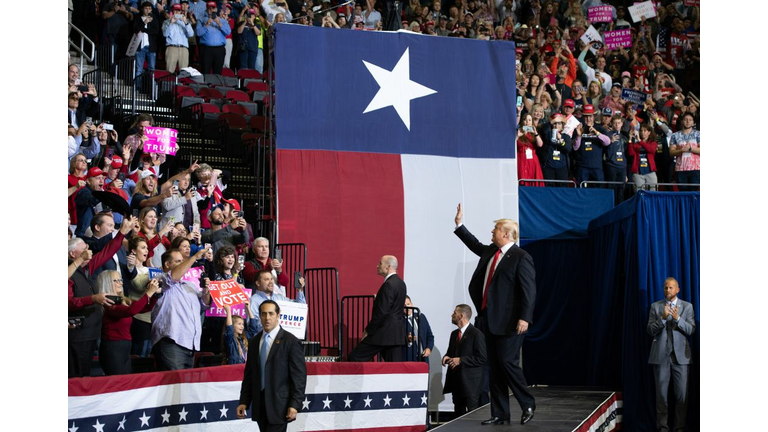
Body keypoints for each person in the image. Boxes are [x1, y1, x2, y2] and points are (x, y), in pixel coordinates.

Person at [453, 204, 537, 425]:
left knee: (508, 362)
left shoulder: (521, 256)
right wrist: (459, 225)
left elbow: (529, 290)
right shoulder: (491, 251)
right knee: (495, 367)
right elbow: (474, 244)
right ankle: (500, 413)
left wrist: (525, 317)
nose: (491, 234)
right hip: (488, 319)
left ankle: (527, 403)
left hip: (511, 322)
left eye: (495, 231)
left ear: (506, 234)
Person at [237, 300, 307, 432]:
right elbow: (249, 375)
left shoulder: (291, 342)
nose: (267, 318)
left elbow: (299, 378)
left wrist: (295, 404)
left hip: (281, 406)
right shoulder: (253, 342)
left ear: (278, 315)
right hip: (259, 405)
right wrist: (244, 401)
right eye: (263, 314)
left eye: (271, 314)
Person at [150, 246, 213, 370]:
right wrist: (194, 257)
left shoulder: (190, 285)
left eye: (182, 260)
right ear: (167, 264)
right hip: (170, 343)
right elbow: (172, 277)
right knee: (174, 385)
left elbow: (204, 305)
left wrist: (206, 289)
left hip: (190, 345)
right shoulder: (158, 280)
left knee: (183, 387)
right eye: (179, 261)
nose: (183, 264)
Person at [647, 277, 696, 432]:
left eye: (671, 288)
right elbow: (649, 330)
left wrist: (677, 319)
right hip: (661, 357)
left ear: (678, 289)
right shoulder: (656, 307)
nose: (668, 290)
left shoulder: (687, 307)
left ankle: (679, 428)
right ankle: (662, 428)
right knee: (661, 396)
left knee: (682, 396)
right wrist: (662, 319)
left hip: (681, 358)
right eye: (666, 288)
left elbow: (691, 330)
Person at [97, 270, 160, 375]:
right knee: (117, 383)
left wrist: (155, 295)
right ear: (107, 283)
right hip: (113, 347)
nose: (121, 283)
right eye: (116, 280)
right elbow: (131, 311)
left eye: (121, 280)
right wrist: (149, 292)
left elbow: (144, 308)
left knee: (125, 382)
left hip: (125, 346)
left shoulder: (122, 301)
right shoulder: (107, 303)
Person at [348, 255, 407, 362]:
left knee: (355, 357)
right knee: (394, 370)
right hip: (396, 335)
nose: (377, 266)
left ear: (388, 266)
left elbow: (382, 311)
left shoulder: (388, 284)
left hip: (382, 333)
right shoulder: (401, 283)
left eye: (380, 263)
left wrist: (368, 330)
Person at [442, 303, 487, 414]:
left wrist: (461, 360)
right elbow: (451, 353)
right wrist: (447, 357)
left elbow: (482, 358)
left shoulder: (476, 334)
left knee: (473, 416)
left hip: (471, 385)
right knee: (458, 415)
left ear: (461, 316)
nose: (452, 315)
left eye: (454, 313)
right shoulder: (454, 334)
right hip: (456, 383)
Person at [248, 270, 306, 334]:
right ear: (258, 283)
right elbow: (253, 326)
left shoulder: (279, 298)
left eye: (272, 279)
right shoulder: (253, 301)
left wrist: (299, 290)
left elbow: (300, 308)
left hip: (284, 339)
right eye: (267, 279)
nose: (271, 282)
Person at [196, 2, 231, 75]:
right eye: (209, 8)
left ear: (216, 9)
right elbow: (198, 33)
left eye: (213, 8)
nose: (211, 10)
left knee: (217, 73)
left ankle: (216, 86)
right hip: (206, 50)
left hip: (219, 50)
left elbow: (228, 32)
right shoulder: (201, 20)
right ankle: (205, 86)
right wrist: (206, 24)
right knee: (205, 72)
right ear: (207, 9)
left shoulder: (222, 20)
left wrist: (219, 23)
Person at [668, 112, 700, 189]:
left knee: (694, 193)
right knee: (682, 193)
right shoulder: (675, 135)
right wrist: (681, 150)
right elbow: (671, 153)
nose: (688, 121)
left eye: (690, 120)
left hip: (695, 169)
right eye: (686, 119)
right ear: (682, 121)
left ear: (693, 122)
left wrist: (690, 149)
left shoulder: (698, 134)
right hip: (680, 169)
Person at [162, 4, 195, 73]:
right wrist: (171, 23)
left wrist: (185, 22)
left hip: (183, 48)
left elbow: (191, 34)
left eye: (178, 10)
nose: (177, 12)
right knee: (169, 71)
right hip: (171, 48)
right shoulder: (166, 22)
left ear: (181, 12)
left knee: (184, 72)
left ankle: (182, 84)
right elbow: (165, 34)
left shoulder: (185, 22)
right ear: (172, 11)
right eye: (175, 10)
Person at [403, 295, 434, 363]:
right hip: (408, 359)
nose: (407, 307)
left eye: (408, 304)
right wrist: (408, 340)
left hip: (423, 358)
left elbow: (430, 336)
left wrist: (428, 348)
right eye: (404, 305)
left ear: (412, 304)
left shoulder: (421, 317)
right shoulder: (399, 321)